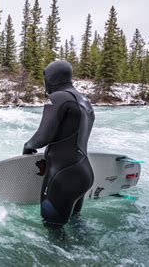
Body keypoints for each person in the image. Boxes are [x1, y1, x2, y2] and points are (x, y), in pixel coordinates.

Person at [23, 60, 95, 227]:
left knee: (53, 230)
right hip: (84, 173)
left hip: (62, 176)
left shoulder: (58, 97)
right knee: (76, 224)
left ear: (51, 78)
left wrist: (28, 146)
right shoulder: (84, 100)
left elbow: (42, 137)